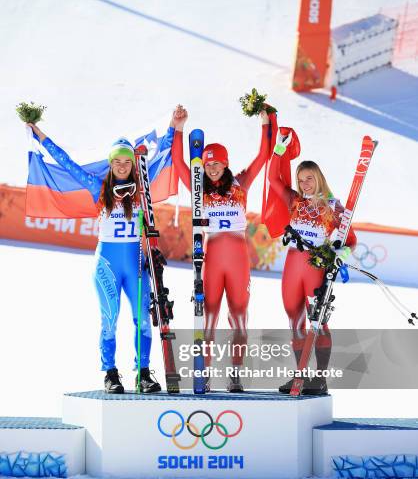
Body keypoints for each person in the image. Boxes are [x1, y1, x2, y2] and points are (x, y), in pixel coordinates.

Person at [27, 122, 175, 394]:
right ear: (110, 163)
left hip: (136, 266)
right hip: (107, 265)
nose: (122, 166)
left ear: (133, 163)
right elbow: (68, 163)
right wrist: (40, 136)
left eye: (126, 161)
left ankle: (143, 373)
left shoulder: (142, 186)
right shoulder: (98, 188)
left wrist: (175, 126)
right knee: (110, 319)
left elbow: (164, 149)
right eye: (116, 161)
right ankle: (110, 373)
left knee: (142, 319)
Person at [171, 104, 270, 392]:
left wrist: (265, 121)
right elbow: (178, 162)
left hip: (238, 258)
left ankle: (235, 375)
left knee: (239, 316)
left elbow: (263, 156)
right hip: (211, 258)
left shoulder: (240, 183)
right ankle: (205, 374)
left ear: (225, 164)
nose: (212, 168)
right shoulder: (198, 187)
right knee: (209, 318)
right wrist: (178, 128)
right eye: (208, 163)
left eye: (217, 163)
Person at [268, 145, 356, 395]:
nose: (304, 184)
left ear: (319, 178)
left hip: (315, 269)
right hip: (292, 267)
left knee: (319, 323)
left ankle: (320, 378)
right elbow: (273, 178)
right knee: (295, 321)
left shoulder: (332, 206)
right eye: (300, 179)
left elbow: (351, 240)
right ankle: (301, 377)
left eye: (309, 178)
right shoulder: (295, 201)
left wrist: (342, 254)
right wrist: (279, 148)